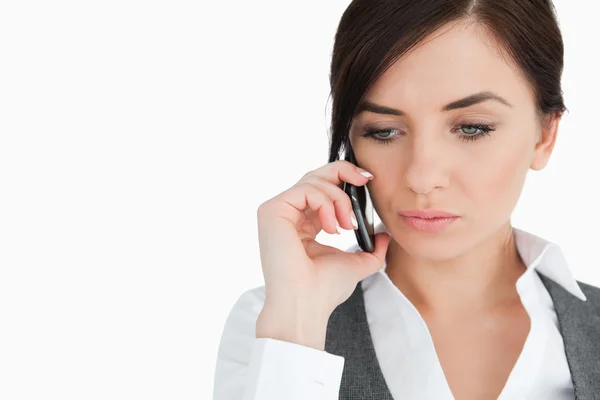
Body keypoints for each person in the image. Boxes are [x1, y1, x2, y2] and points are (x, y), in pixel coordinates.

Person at [213, 0, 600, 399]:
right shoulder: (272, 322)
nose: (421, 178)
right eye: (382, 131)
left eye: (471, 128)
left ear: (544, 136)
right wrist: (294, 326)